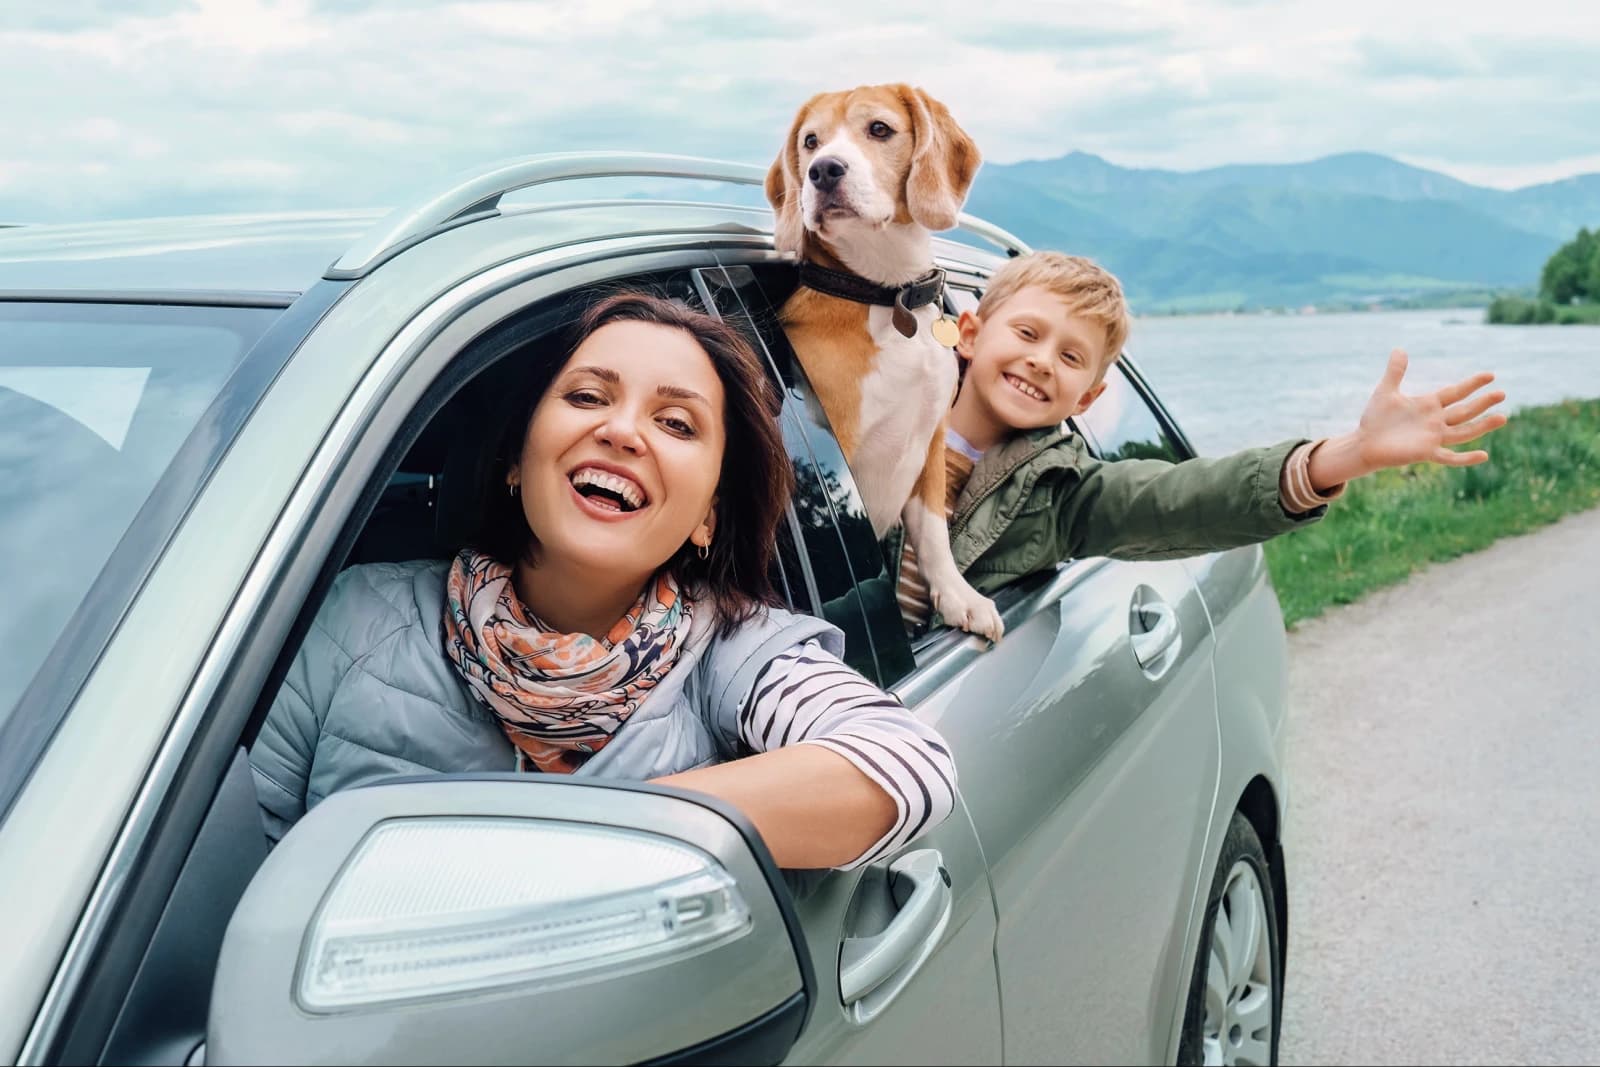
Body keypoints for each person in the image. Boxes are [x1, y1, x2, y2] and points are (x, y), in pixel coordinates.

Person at [250, 290, 956, 871]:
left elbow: (906, 764)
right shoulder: (354, 617)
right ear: (517, 460)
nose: (622, 432)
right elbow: (240, 866)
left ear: (707, 515)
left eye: (676, 423)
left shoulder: (731, 651)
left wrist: (570, 852)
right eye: (587, 396)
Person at [892, 251, 1507, 635]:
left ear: (1087, 399)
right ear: (968, 333)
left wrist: (1351, 454)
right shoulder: (876, 418)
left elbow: (1185, 496)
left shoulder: (1063, 491)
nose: (1042, 360)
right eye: (1027, 333)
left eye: (1071, 357)